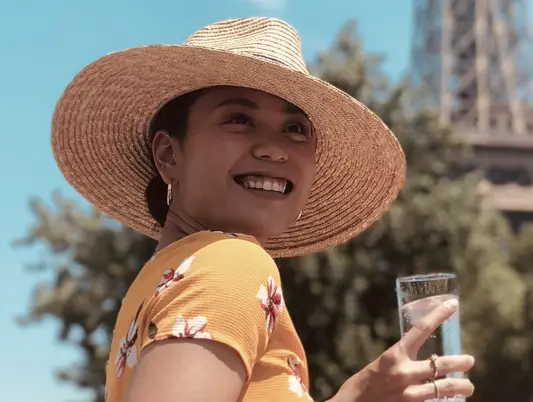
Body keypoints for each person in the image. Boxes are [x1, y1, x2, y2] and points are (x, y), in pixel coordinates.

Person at [50, 17, 475, 402]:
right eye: (238, 119)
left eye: (295, 129)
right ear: (168, 154)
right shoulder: (231, 264)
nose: (273, 148)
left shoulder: (156, 287)